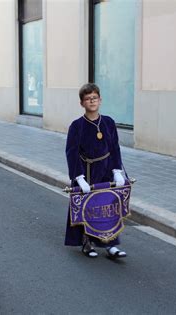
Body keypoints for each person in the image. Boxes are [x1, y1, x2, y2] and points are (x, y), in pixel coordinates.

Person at [65, 83, 127, 258]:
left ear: (100, 100)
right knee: (89, 207)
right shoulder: (77, 126)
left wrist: (117, 170)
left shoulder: (108, 122)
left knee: (108, 207)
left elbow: (114, 147)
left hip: (106, 169)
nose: (91, 101)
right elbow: (71, 152)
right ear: (82, 103)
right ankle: (87, 242)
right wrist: (79, 177)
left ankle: (111, 243)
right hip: (87, 171)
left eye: (94, 98)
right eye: (87, 99)